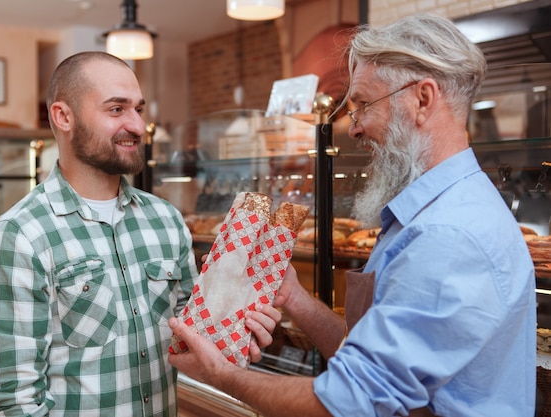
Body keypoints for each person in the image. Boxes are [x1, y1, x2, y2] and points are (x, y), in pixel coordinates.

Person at [168, 13, 537, 417]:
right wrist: (294, 297)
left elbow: (350, 401)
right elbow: (372, 356)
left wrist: (221, 374)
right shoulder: (425, 215)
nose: (354, 127)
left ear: (423, 100)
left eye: (363, 105)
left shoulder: (447, 234)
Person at [0, 51, 279, 417]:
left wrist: (236, 327)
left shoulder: (165, 219)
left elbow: (191, 338)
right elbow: (10, 405)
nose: (136, 125)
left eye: (138, 109)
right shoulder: (18, 238)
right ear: (63, 117)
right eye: (116, 109)